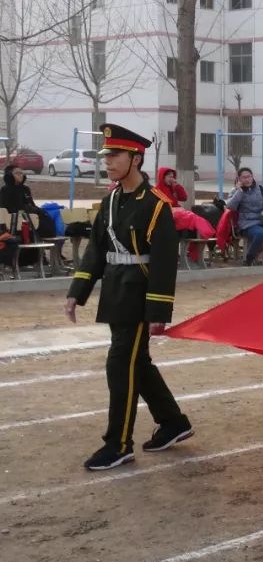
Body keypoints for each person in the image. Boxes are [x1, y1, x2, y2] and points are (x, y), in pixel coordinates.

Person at [64, 124, 194, 470]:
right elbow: (96, 250)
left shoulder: (156, 206)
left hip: (140, 294)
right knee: (138, 362)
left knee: (120, 363)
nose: (107, 161)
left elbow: (165, 264)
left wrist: (158, 311)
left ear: (135, 158)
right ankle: (172, 422)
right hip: (116, 292)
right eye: (106, 155)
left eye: (114, 155)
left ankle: (118, 443)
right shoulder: (111, 200)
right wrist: (78, 291)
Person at [226, 167, 263, 266]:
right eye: (244, 177)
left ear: (252, 177)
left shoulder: (261, 188)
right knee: (261, 234)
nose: (247, 179)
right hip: (248, 223)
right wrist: (239, 191)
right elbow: (230, 206)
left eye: (249, 176)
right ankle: (249, 258)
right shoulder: (235, 191)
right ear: (239, 179)